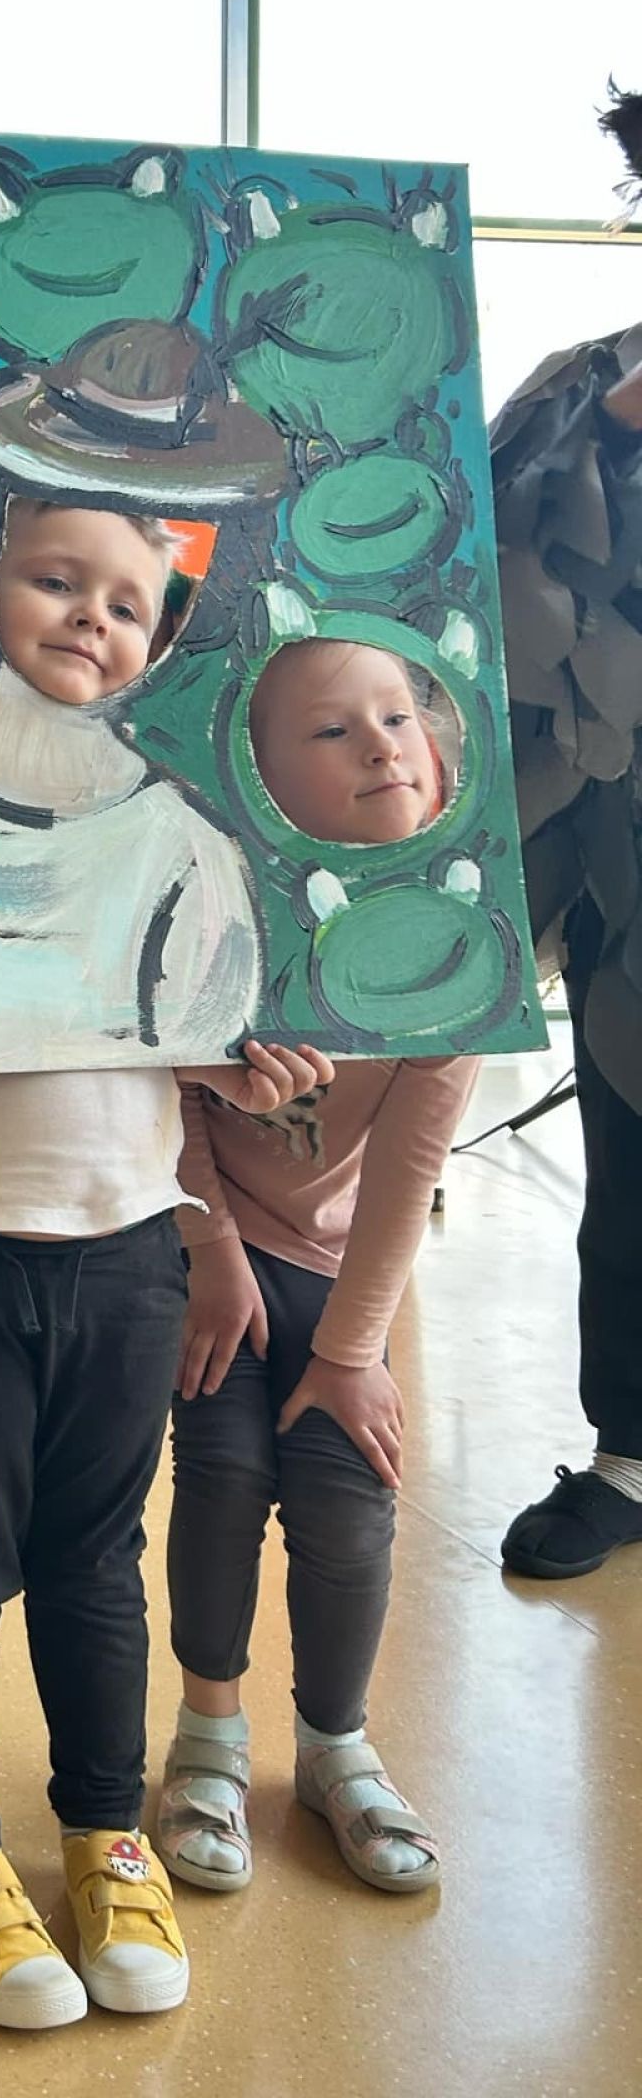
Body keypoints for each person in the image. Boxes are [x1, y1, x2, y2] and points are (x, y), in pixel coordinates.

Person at [0, 495, 329, 2033]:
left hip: (121, 1247)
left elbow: (185, 1022)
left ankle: (106, 1836)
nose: (93, 616)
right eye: (53, 580)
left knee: (96, 1564)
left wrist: (236, 1065)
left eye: (128, 602)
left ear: (158, 643)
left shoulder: (172, 830)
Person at [156, 638, 477, 1899]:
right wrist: (208, 1251)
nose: (383, 745)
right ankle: (209, 1735)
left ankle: (338, 1745)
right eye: (334, 731)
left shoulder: (457, 946)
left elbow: (410, 1166)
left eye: (398, 717)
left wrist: (351, 1352)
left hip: (343, 1265)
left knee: (350, 1494)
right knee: (223, 1473)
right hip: (210, 1240)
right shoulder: (214, 914)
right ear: (263, 782)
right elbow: (167, 1098)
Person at [490, 88, 642, 1580]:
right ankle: (632, 1456)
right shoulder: (568, 392)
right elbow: (447, 572)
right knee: (634, 1158)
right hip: (612, 861)